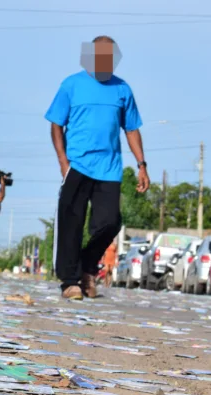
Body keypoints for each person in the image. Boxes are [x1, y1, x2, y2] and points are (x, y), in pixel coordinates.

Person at [46, 35, 149, 301]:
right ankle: (70, 282)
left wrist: (141, 165)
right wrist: (63, 162)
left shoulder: (122, 89)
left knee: (110, 222)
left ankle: (87, 266)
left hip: (109, 169)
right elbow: (56, 124)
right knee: (71, 223)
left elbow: (132, 128)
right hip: (77, 166)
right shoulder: (71, 85)